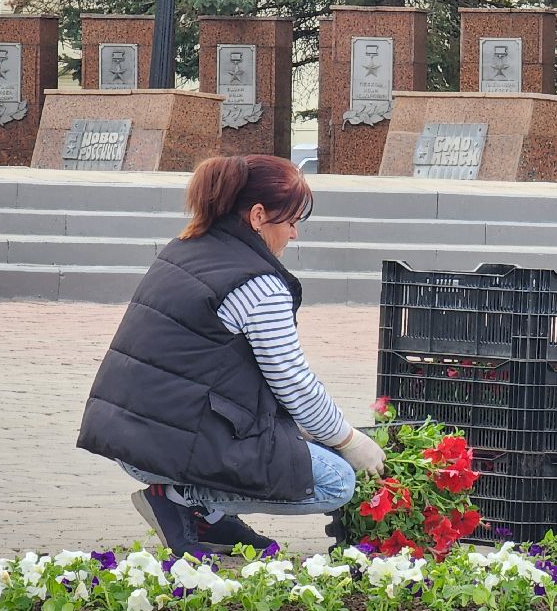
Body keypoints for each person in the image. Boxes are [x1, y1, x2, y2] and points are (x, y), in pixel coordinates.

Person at [77, 154, 387, 556]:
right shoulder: (257, 284)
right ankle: (181, 500)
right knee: (336, 480)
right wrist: (349, 439)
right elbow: (294, 383)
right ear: (258, 216)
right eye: (291, 222)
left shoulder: (187, 248)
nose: (295, 235)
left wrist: (317, 430)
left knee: (307, 440)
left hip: (134, 437)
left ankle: (209, 518)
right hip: (164, 448)